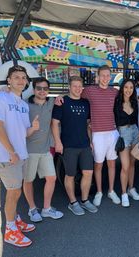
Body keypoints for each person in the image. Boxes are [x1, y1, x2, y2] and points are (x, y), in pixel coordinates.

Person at [0, 65, 39, 247]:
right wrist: (11, 151)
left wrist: (32, 129)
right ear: (8, 80)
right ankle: (10, 230)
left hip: (20, 154)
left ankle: (14, 219)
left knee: (15, 190)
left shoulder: (23, 104)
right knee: (14, 191)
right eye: (16, 77)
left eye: (23, 78)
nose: (21, 80)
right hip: (8, 155)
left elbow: (23, 132)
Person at [52, 76, 98, 215]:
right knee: (70, 175)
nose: (78, 89)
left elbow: (88, 124)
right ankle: (73, 202)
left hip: (84, 144)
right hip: (68, 145)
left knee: (88, 173)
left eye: (80, 86)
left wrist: (90, 140)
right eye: (75, 86)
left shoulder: (85, 103)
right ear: (69, 87)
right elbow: (54, 123)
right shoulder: (62, 102)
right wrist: (58, 142)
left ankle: (84, 200)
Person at [23, 77, 63, 222]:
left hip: (45, 149)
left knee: (51, 178)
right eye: (39, 88)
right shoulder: (25, 106)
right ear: (33, 90)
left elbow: (64, 96)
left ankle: (46, 208)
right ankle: (32, 209)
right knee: (28, 180)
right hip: (29, 150)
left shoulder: (51, 103)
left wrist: (59, 97)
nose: (42, 91)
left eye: (45, 88)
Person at [81, 65, 121, 206]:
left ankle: (110, 191)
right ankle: (99, 192)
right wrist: (59, 97)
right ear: (98, 76)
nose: (105, 78)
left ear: (110, 77)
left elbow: (128, 99)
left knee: (111, 164)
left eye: (107, 75)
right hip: (97, 133)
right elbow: (74, 93)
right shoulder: (89, 91)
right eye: (102, 75)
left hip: (112, 133)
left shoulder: (115, 92)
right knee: (98, 165)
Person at [114, 79, 139, 207]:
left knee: (132, 164)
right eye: (126, 87)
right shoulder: (116, 102)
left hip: (135, 132)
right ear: (122, 88)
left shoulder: (135, 102)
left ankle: (131, 189)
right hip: (123, 134)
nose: (128, 90)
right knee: (125, 166)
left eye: (131, 87)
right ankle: (123, 193)